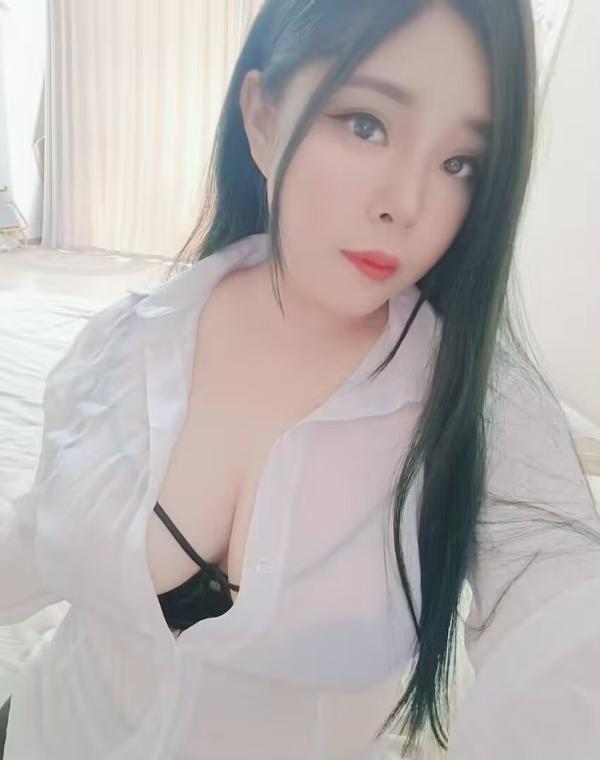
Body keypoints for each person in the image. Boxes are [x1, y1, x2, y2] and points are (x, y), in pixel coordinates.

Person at [1, 1, 599, 758]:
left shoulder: (485, 409)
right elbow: (38, 535)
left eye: (460, 164)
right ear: (262, 118)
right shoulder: (125, 342)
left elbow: (565, 631)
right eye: (366, 125)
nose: (406, 204)